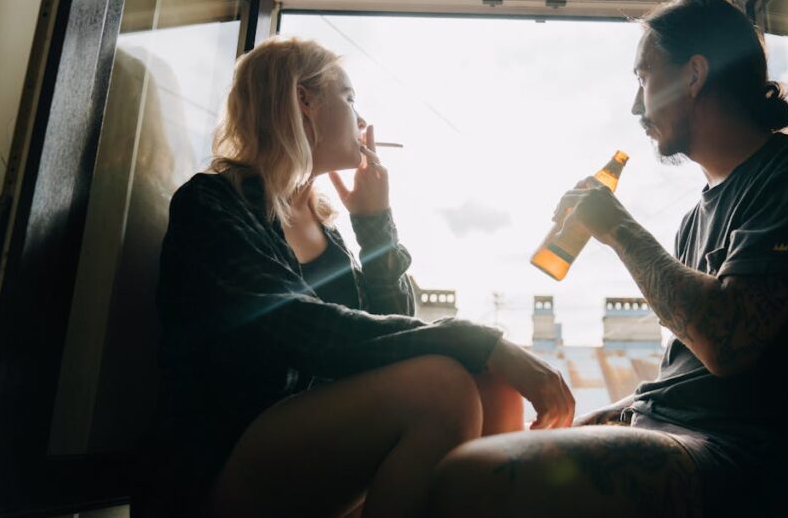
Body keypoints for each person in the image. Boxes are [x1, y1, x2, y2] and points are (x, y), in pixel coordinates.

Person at [428, 0, 788, 518]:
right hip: (684, 437)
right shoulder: (694, 220)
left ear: (694, 75)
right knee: (489, 423)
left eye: (643, 77)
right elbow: (689, 380)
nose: (636, 107)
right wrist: (615, 415)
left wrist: (617, 226)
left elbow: (727, 343)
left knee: (474, 476)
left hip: (750, 464)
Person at [146, 36, 575, 518]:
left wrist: (375, 230)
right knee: (441, 386)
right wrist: (478, 338)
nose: (363, 121)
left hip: (298, 451)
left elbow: (386, 348)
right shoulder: (212, 204)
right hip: (217, 467)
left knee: (489, 382)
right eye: (350, 98)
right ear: (303, 100)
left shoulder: (322, 228)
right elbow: (301, 329)